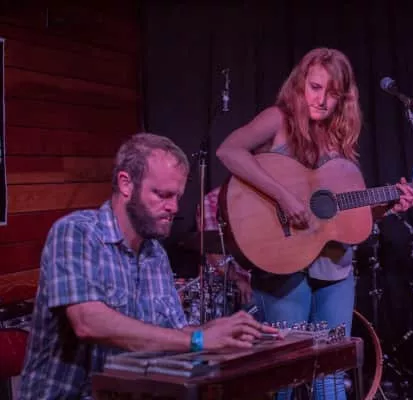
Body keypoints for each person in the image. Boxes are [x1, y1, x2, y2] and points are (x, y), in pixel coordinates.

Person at [216, 48, 413, 399]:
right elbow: (228, 151)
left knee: (331, 371)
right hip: (283, 262)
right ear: (300, 84)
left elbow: (343, 217)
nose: (322, 100)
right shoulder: (277, 120)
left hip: (334, 267)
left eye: (332, 94)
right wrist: (283, 196)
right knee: (284, 374)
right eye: (315, 87)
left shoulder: (339, 141)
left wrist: (387, 206)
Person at [18, 133, 276, 399]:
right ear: (126, 184)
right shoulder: (77, 232)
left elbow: (170, 334)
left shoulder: (155, 254)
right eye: (162, 195)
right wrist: (197, 340)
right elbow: (87, 322)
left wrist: (215, 331)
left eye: (177, 197)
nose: (174, 207)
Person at [196, 186, 253, 305]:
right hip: (235, 286)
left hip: (277, 281)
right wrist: (238, 279)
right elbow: (214, 251)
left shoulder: (272, 194)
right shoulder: (213, 199)